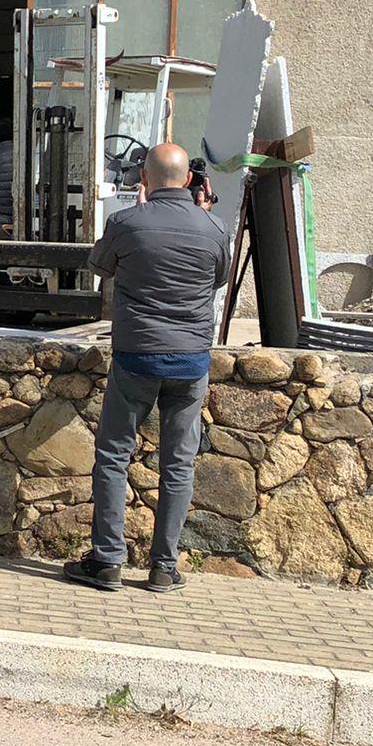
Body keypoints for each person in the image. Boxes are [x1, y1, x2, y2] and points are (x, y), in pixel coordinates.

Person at [63, 142, 229, 594]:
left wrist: (138, 216)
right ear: (192, 181)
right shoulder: (214, 226)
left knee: (114, 455)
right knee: (178, 462)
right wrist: (201, 214)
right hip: (191, 359)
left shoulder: (126, 221)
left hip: (137, 354)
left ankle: (107, 561)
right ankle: (163, 567)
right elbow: (218, 278)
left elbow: (99, 265)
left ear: (145, 180)